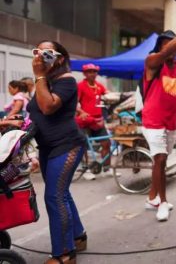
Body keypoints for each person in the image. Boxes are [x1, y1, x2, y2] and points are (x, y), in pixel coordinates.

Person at [27, 40, 87, 264]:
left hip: (67, 144)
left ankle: (64, 253)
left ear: (60, 58)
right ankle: (78, 236)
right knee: (62, 193)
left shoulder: (67, 80)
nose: (41, 56)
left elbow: (48, 106)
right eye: (37, 51)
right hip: (47, 147)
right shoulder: (45, 81)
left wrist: (39, 76)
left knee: (54, 196)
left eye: (48, 52)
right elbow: (35, 111)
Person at [143, 23, 176, 222]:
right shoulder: (153, 62)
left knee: (161, 162)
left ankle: (151, 198)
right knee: (161, 160)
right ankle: (162, 202)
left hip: (172, 120)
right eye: (166, 45)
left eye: (173, 44)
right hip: (152, 119)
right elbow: (165, 53)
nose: (169, 48)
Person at [75, 63, 113, 180]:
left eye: (94, 71)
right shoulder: (80, 86)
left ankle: (106, 168)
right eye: (89, 71)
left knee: (106, 143)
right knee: (83, 146)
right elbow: (74, 103)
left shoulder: (99, 86)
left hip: (98, 120)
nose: (92, 74)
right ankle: (85, 169)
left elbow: (108, 97)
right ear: (84, 74)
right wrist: (81, 112)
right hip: (85, 120)